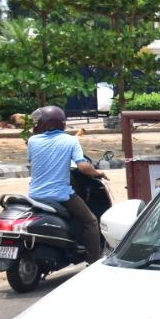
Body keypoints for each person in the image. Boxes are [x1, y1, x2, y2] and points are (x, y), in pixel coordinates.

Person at [26, 106, 106, 264]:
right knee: (90, 221)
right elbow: (83, 166)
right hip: (60, 195)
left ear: (45, 123)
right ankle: (94, 260)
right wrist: (97, 173)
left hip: (35, 195)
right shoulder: (71, 140)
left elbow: (34, 161)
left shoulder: (32, 141)